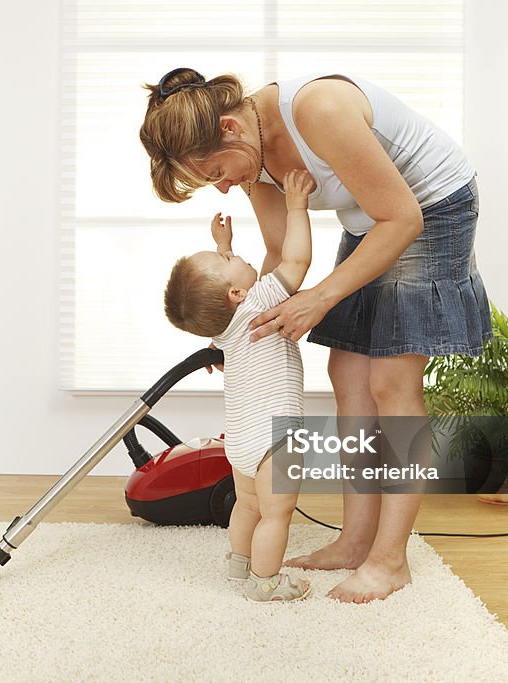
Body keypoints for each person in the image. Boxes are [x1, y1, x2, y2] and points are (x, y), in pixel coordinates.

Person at [141, 67, 491, 603]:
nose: (225, 187)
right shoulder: (251, 162)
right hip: (371, 220)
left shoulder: (318, 109)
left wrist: (322, 297)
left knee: (391, 382)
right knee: (347, 373)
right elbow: (282, 259)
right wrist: (238, 336)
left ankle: (390, 559)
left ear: (232, 127)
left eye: (216, 172)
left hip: (429, 209)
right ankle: (354, 542)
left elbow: (402, 218)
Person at [164, 169, 315, 602]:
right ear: (235, 293)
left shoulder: (222, 331)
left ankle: (238, 564)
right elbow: (297, 263)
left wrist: (223, 249)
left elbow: (222, 292)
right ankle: (267, 583)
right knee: (277, 514)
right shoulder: (260, 302)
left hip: (242, 439)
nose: (240, 258)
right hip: (277, 438)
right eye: (233, 261)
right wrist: (295, 207)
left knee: (248, 505)